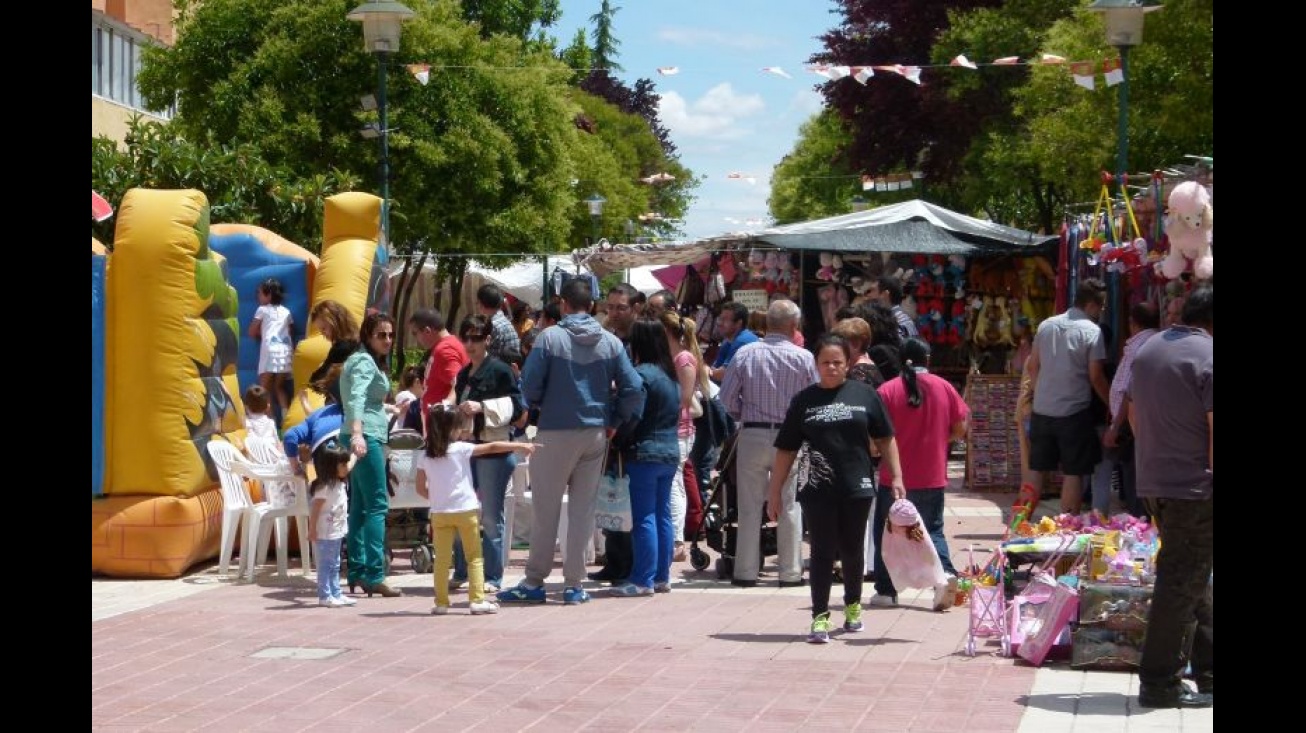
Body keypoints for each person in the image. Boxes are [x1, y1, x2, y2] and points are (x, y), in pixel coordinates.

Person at [497, 277, 644, 606]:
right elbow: (634, 388)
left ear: (563, 304)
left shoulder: (549, 339)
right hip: (595, 433)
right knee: (582, 511)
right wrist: (614, 421)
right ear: (592, 305)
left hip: (555, 431)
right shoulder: (610, 343)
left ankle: (535, 581)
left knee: (546, 509)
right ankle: (574, 585)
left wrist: (538, 403)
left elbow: (530, 389)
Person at [768, 333, 902, 642]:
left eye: (837, 362)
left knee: (853, 549)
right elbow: (786, 449)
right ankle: (819, 616)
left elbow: (886, 438)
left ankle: (853, 605)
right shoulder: (804, 400)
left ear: (848, 363)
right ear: (815, 364)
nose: (831, 368)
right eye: (825, 362)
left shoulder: (866, 395)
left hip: (858, 484)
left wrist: (896, 476)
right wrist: (774, 491)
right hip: (818, 487)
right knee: (822, 551)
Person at [1127, 283, 1212, 709]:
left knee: (1193, 575)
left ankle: (1210, 670)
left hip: (1157, 483)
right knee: (1180, 582)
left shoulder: (1149, 349)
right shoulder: (1210, 357)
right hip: (1196, 488)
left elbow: (1133, 415)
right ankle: (1160, 682)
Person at [719, 299, 818, 588]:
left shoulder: (745, 354)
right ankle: (789, 572)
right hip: (790, 436)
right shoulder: (803, 358)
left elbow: (726, 398)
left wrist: (745, 414)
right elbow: (812, 400)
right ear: (793, 325)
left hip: (753, 433)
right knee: (790, 504)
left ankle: (746, 571)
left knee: (749, 504)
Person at [873, 338, 968, 610]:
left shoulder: (887, 390)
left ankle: (887, 590)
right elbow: (960, 427)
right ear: (928, 359)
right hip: (932, 472)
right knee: (932, 529)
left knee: (887, 533)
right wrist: (940, 440)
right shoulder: (945, 387)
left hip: (894, 477)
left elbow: (876, 434)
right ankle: (945, 575)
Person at [417, 404, 538, 615]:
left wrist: (437, 498)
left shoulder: (425, 456)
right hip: (466, 510)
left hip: (439, 513)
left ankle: (441, 603)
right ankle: (477, 600)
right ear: (452, 429)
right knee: (474, 556)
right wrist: (519, 447)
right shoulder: (461, 449)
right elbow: (491, 448)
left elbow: (420, 488)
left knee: (443, 560)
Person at [448, 314, 525, 594]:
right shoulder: (463, 374)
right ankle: (462, 569)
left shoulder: (501, 371)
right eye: (466, 337)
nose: (470, 344)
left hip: (493, 450)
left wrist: (483, 407)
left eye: (477, 338)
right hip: (466, 450)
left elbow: (518, 407)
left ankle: (492, 576)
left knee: (491, 516)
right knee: (461, 511)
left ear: (488, 340)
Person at [609, 318, 683, 597]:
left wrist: (618, 435)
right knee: (663, 514)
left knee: (644, 517)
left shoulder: (641, 375)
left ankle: (642, 579)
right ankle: (662, 576)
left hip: (644, 451)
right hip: (669, 450)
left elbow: (635, 414)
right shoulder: (670, 377)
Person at [1025, 278, 1111, 514]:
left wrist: (1039, 392)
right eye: (1101, 306)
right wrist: (1112, 403)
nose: (1101, 311)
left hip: (1042, 410)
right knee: (1074, 472)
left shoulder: (1046, 325)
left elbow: (1033, 366)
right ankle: (1066, 527)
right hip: (1073, 413)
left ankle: (1018, 523)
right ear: (1093, 305)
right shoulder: (1093, 331)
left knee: (1036, 469)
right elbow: (1096, 376)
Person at [340, 313, 402, 598]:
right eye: (381, 335)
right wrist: (357, 434)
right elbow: (356, 397)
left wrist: (384, 408)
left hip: (361, 431)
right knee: (377, 505)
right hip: (367, 437)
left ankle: (357, 571)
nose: (387, 340)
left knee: (360, 506)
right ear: (367, 336)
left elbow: (363, 399)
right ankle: (375, 574)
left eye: (390, 335)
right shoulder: (365, 362)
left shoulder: (358, 360)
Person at [658, 310, 709, 561]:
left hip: (679, 431)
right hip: (671, 430)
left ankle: (677, 541)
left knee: (675, 484)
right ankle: (674, 539)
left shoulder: (684, 359)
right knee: (673, 483)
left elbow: (685, 399)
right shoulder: (672, 358)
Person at [1102, 302, 1160, 517]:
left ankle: (1139, 525)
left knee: (1134, 478)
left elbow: (1128, 391)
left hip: (1131, 422)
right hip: (1138, 420)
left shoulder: (1140, 347)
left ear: (1132, 323)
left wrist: (1116, 426)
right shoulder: (1154, 342)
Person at [306, 440, 358, 608]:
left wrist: (356, 453)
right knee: (325, 564)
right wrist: (312, 529)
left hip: (336, 530)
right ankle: (325, 595)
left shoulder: (338, 482)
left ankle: (336, 593)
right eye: (341, 464)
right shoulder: (325, 487)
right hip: (325, 531)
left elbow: (350, 464)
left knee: (335, 563)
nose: (345, 467)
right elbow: (315, 509)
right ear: (331, 466)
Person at [298, 299, 360, 414]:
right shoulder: (357, 341)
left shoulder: (342, 347)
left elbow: (318, 379)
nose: (323, 334)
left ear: (335, 323)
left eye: (324, 329)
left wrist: (320, 368)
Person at [249, 278, 295, 420]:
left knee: (263, 389)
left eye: (260, 293)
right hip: (286, 350)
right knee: (279, 387)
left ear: (268, 295)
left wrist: (259, 334)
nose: (258, 296)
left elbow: (251, 332)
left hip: (270, 350)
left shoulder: (262, 310)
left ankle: (271, 423)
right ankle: (287, 420)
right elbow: (290, 331)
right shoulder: (286, 312)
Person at [408, 307, 468, 416]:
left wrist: (445, 407)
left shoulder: (445, 350)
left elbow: (459, 384)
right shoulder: (444, 346)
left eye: (415, 333)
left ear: (427, 331)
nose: (416, 339)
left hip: (442, 428)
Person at [709, 302, 759, 383]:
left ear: (738, 323)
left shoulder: (743, 341)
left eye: (724, 320)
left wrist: (704, 370)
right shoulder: (728, 341)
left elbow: (724, 375)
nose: (719, 323)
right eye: (720, 319)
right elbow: (715, 369)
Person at [476, 283, 521, 363]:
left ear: (481, 304)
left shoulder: (493, 325)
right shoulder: (505, 320)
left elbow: (487, 357)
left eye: (478, 302)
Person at [866, 275, 919, 339]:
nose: (868, 295)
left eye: (873, 290)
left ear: (885, 294)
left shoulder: (898, 322)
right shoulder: (891, 319)